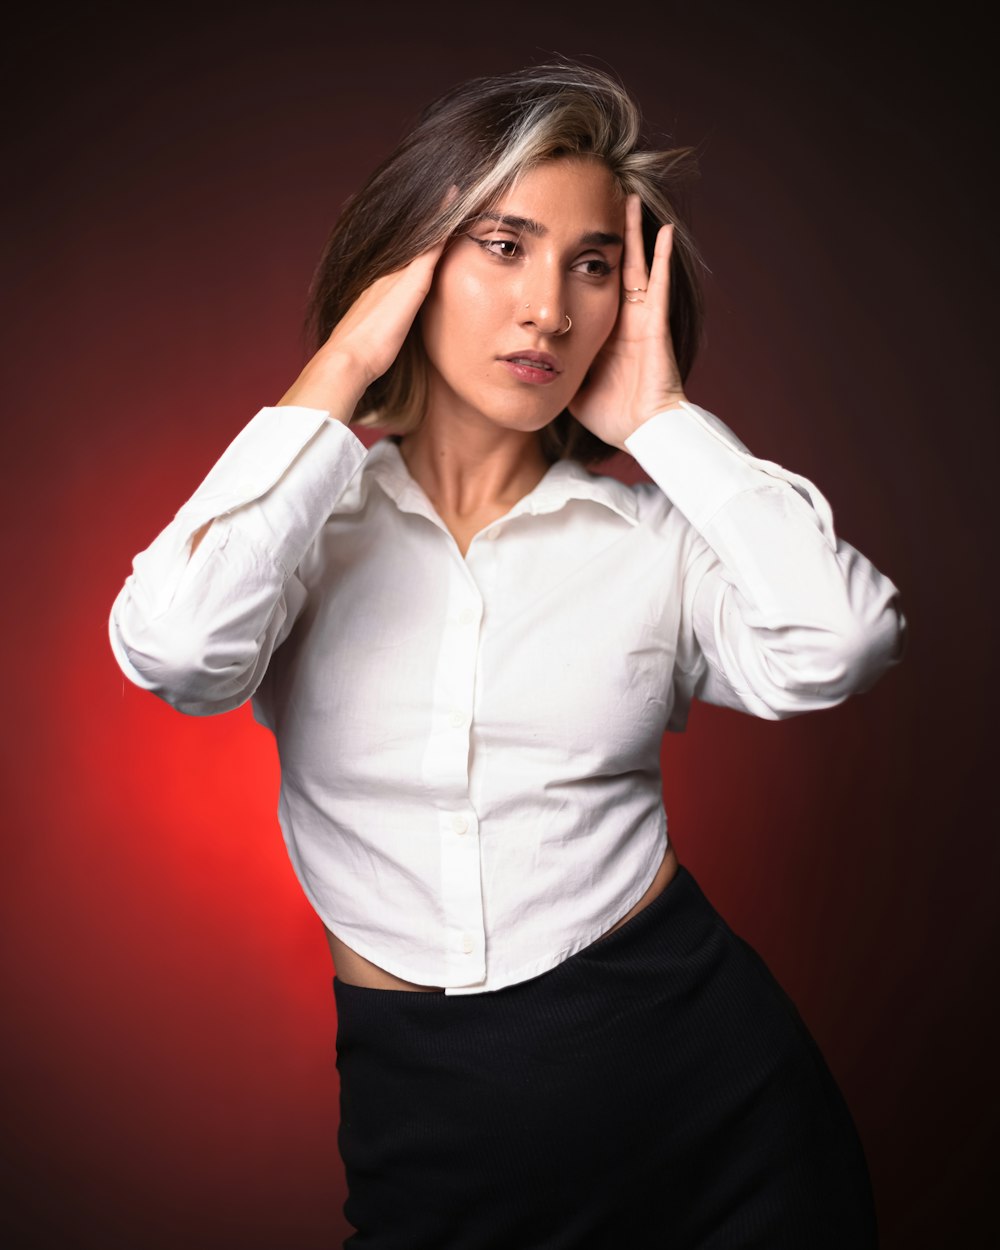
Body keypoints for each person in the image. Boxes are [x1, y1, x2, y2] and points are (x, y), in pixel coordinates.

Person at [109, 61, 905, 1248]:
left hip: (717, 1096)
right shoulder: (300, 532)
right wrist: (335, 374)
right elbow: (174, 650)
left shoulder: (652, 541)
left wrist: (661, 425)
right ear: (411, 262)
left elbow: (838, 642)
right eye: (502, 245)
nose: (549, 309)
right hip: (434, 1120)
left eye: (591, 265)